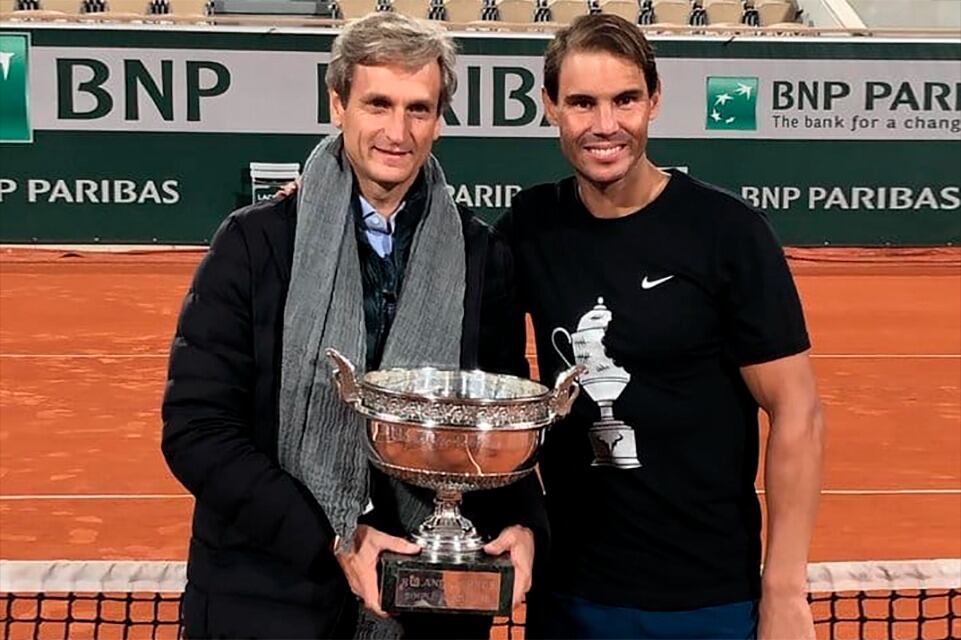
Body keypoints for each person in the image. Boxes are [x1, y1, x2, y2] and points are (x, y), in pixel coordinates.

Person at [161, 12, 544, 639]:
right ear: (338, 102)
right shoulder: (255, 246)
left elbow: (496, 419)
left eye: (419, 109)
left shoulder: (482, 257)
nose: (398, 131)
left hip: (429, 607)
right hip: (269, 601)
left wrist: (525, 524)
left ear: (440, 118)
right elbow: (197, 431)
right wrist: (336, 539)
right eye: (378, 104)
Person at [496, 14, 825, 640]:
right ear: (550, 107)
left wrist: (784, 591)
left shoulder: (728, 232)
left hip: (706, 599)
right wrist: (320, 198)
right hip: (571, 593)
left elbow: (798, 411)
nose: (605, 125)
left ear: (654, 99)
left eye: (624, 99)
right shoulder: (531, 225)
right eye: (582, 103)